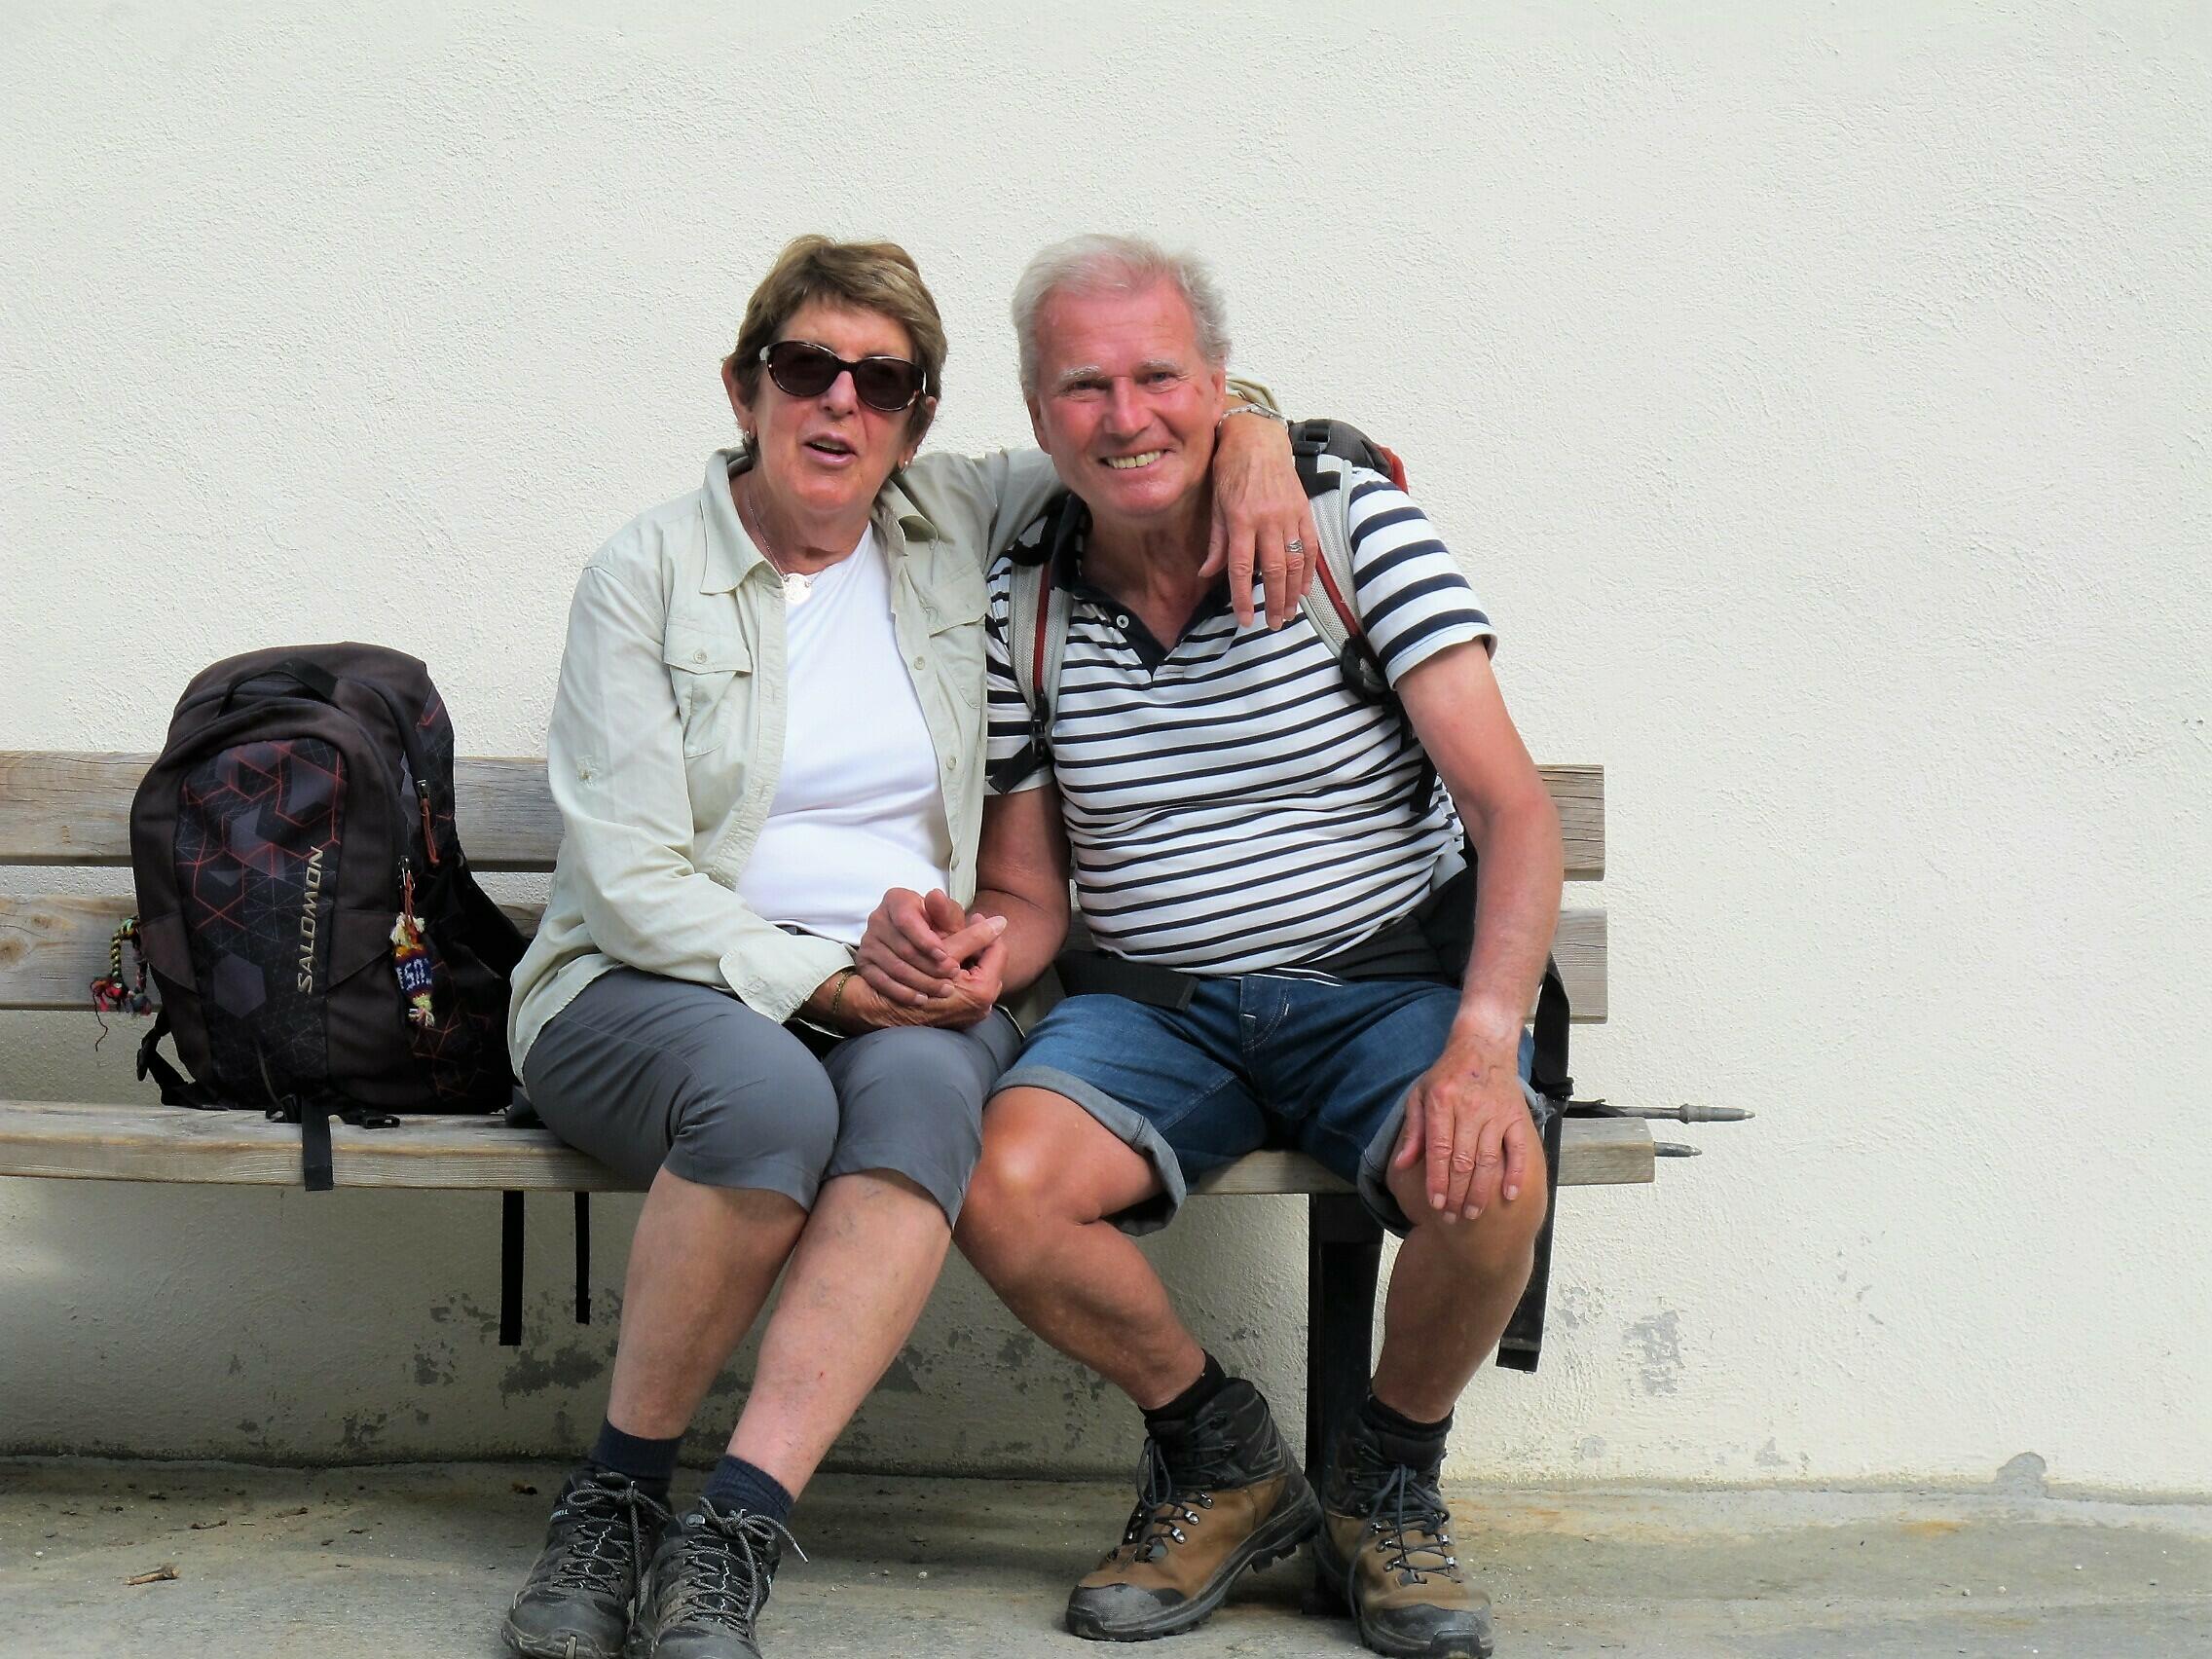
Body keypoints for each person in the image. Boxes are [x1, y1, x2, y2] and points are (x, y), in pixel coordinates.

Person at [499, 235, 1315, 1659]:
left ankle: (733, 1533)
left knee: (933, 1099)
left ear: (919, 421)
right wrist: (827, 983)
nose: (842, 404)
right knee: (766, 1095)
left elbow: (1134, 426)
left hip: (910, 992)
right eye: (806, 368)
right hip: (648, 984)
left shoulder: (953, 520)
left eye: (883, 384)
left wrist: (1255, 438)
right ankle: (615, 1501)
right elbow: (628, 882)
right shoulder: (647, 572)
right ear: (745, 387)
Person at [858, 235, 1564, 1659]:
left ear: (1221, 383)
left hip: (1383, 983)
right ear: (1037, 410)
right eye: (1084, 386)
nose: (1126, 416)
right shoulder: (1025, 601)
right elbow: (1031, 889)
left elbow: (1515, 813)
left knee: (1488, 1175)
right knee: (996, 1185)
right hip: (1154, 1008)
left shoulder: (1351, 531)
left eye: (1160, 377)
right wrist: (973, 954)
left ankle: (1385, 1484)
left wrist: (1486, 1046)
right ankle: (1223, 1458)